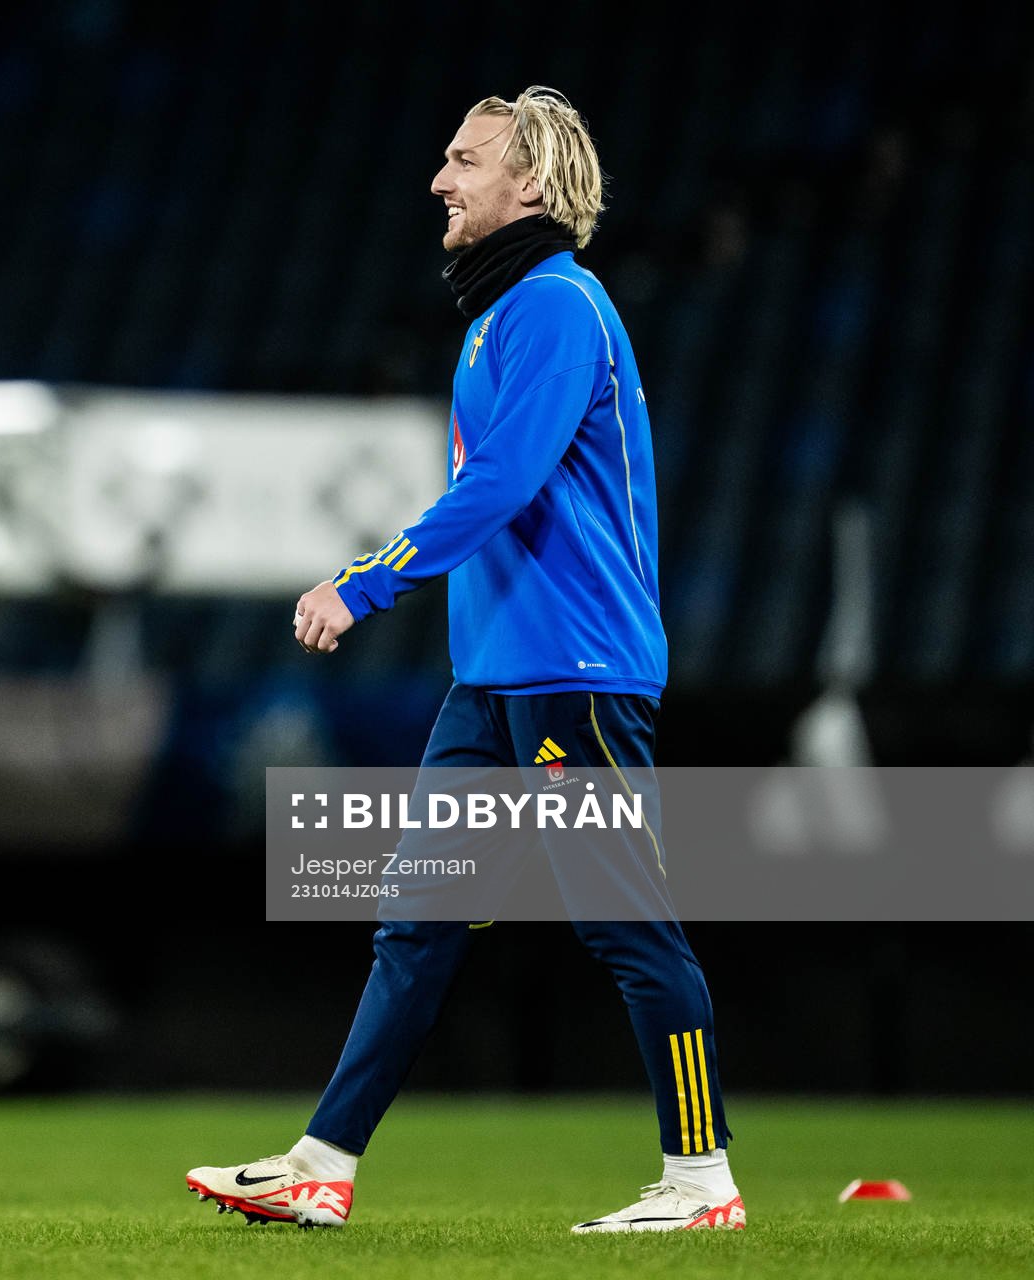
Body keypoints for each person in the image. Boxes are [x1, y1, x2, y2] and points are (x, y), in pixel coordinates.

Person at [184, 87, 743, 1235]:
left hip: (572, 675)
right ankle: (323, 1162)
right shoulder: (505, 311)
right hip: (494, 681)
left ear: (528, 182)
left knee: (630, 926)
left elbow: (501, 483)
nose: (440, 179)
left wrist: (365, 577)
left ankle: (703, 1183)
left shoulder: (553, 305)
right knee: (419, 918)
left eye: (464, 160)